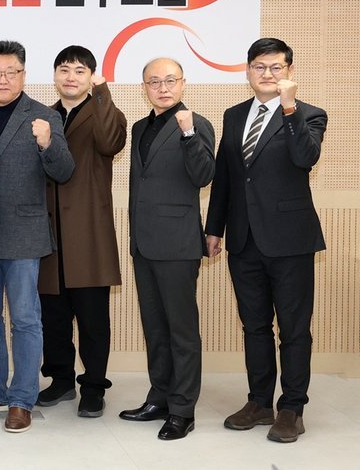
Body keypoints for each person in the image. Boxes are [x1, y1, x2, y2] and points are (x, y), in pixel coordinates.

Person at [206, 37, 327, 443]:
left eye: (276, 67)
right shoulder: (234, 115)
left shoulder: (309, 114)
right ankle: (259, 402)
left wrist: (289, 108)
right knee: (254, 326)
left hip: (290, 241)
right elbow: (225, 175)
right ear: (248, 71)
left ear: (289, 71)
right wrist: (214, 228)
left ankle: (292, 408)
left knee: (294, 329)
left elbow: (305, 157)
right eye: (260, 66)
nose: (267, 74)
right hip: (243, 240)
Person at [0, 41, 74, 433]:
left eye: (11, 72)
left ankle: (23, 398)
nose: (3, 79)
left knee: (25, 319)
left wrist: (47, 143)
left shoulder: (44, 116)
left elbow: (64, 171)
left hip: (23, 233)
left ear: (24, 75)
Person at [120, 57, 215, 441]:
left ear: (183, 83)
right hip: (144, 243)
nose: (163, 87)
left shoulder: (196, 123)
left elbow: (203, 175)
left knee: (182, 331)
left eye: (170, 80)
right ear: (144, 87)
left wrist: (189, 134)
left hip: (177, 244)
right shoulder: (140, 127)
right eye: (154, 81)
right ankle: (159, 397)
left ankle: (182, 410)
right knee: (155, 329)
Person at [37, 46, 127, 417]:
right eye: (64, 69)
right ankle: (60, 380)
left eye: (79, 70)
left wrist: (103, 93)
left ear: (91, 77)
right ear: (54, 76)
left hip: (88, 232)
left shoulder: (105, 111)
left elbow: (110, 142)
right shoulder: (43, 117)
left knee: (93, 320)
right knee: (53, 318)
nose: (71, 77)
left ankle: (93, 386)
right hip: (48, 234)